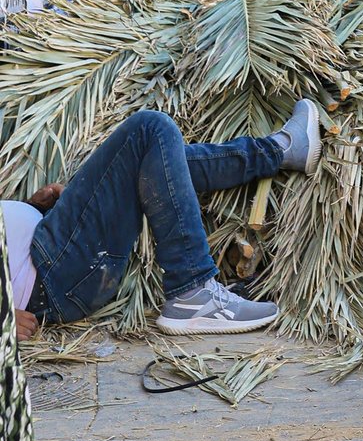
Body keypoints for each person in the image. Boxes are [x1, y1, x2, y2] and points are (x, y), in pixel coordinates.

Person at [5, 101, 320, 339]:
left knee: (153, 157)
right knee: (149, 129)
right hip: (53, 272)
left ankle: (282, 150)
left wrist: (31, 207)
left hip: (52, 247)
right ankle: (193, 289)